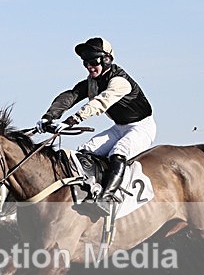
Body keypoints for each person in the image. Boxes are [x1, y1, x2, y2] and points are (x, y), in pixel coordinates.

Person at [37, 37, 156, 215]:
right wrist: (49, 116)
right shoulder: (92, 81)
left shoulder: (119, 82)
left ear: (107, 59)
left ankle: (107, 198)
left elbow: (99, 103)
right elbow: (71, 96)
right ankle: (92, 190)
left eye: (93, 62)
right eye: (86, 63)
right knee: (85, 151)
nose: (89, 66)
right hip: (120, 127)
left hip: (141, 127)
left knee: (119, 152)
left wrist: (71, 121)